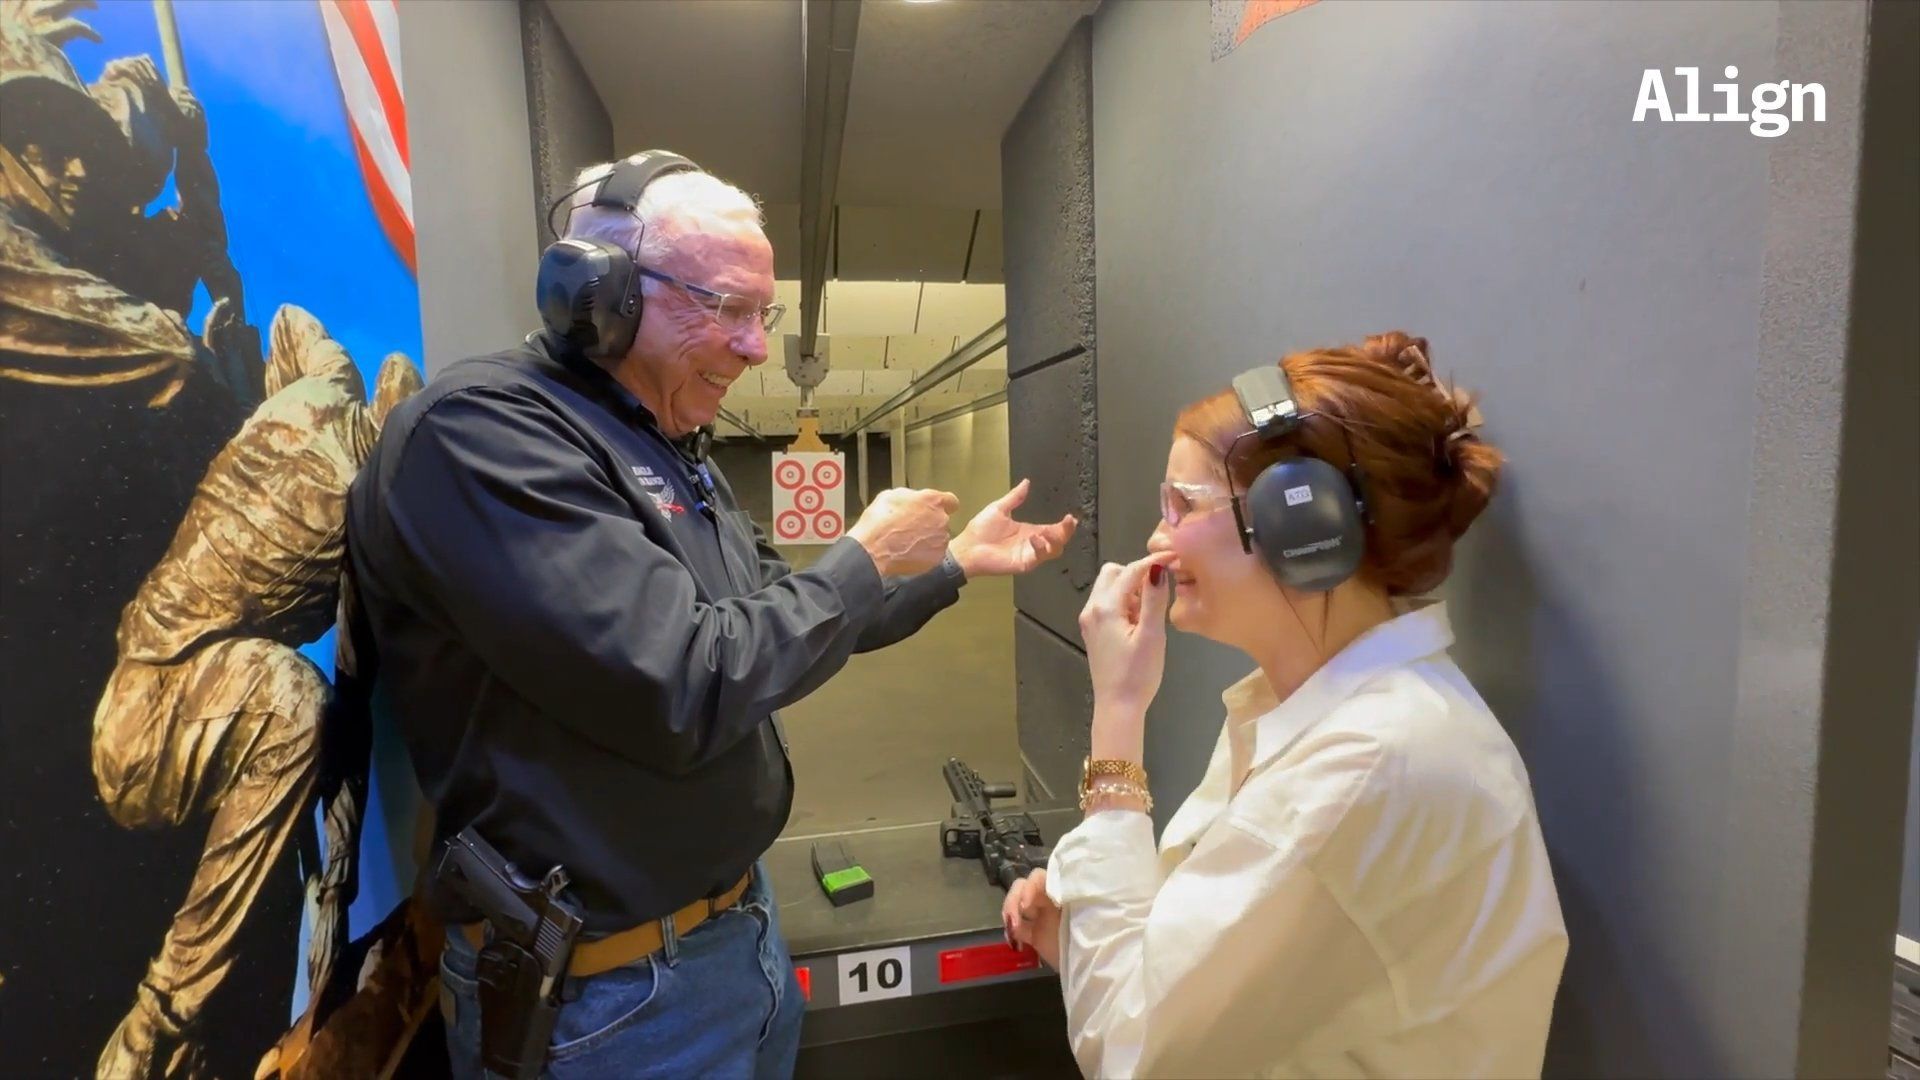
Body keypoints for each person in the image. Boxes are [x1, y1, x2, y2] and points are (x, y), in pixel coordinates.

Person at [344, 150, 1076, 1079]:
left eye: (762, 314)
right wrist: (862, 554)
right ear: (599, 294)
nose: (757, 346)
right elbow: (687, 683)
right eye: (726, 306)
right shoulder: (483, 436)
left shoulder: (665, 442)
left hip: (733, 937)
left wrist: (953, 564)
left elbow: (784, 616)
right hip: (606, 1003)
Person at [1004, 332, 1567, 1077]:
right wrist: (1086, 941)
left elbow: (1131, 1053)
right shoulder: (1318, 715)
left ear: (1302, 523)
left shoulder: (1366, 768)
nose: (1157, 536)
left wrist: (1118, 714)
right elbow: (1207, 968)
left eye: (1182, 505)